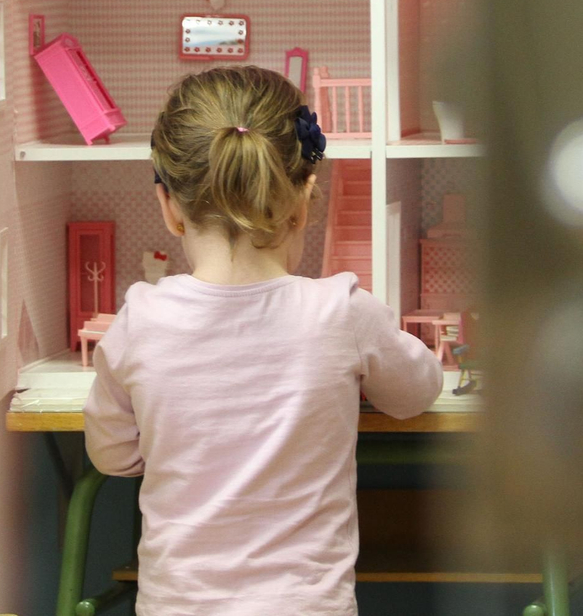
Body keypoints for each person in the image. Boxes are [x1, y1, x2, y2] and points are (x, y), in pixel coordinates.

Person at [83, 65, 444, 616]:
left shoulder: (141, 319)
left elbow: (110, 453)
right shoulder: (342, 311)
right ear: (303, 199)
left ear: (169, 207)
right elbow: (416, 392)